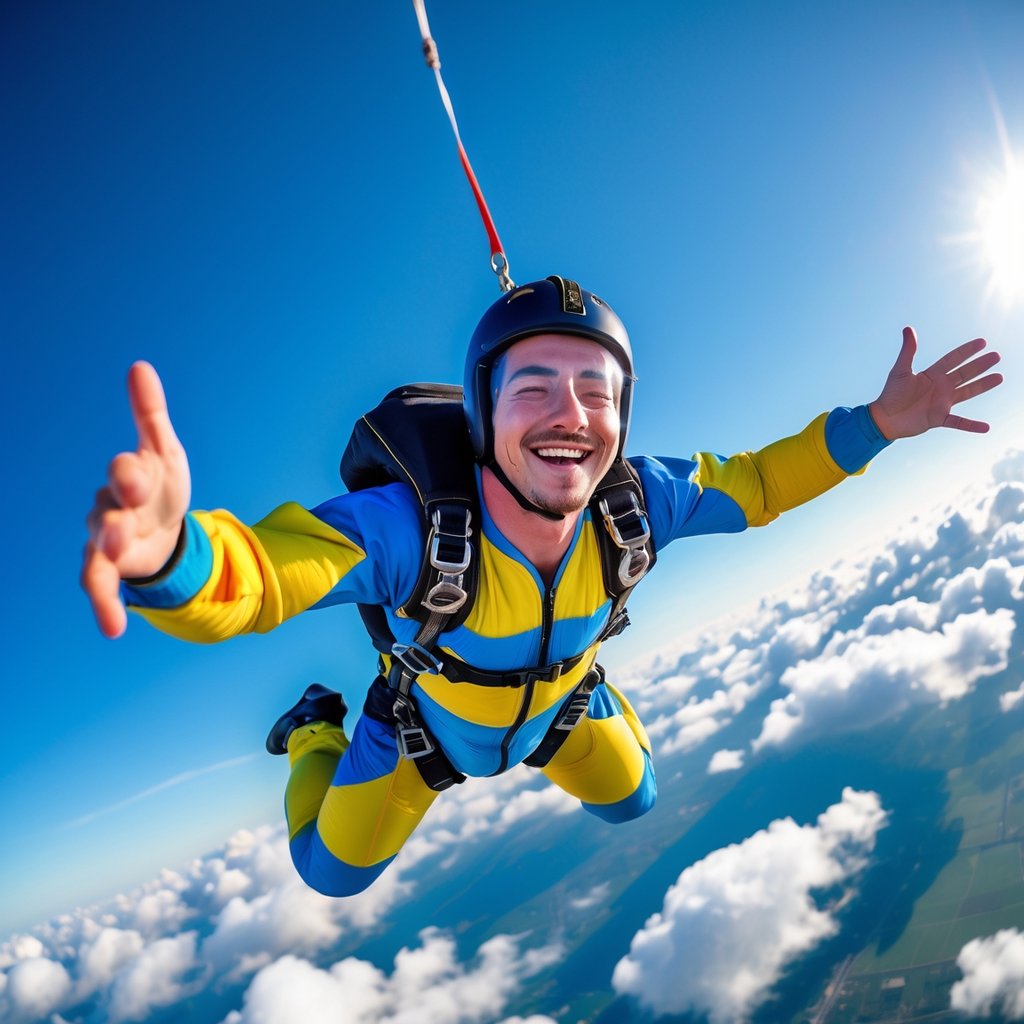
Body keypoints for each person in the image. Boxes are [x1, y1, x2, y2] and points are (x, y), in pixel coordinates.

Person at [82, 276, 1002, 897]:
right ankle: (320, 725)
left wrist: (876, 424)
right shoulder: (415, 533)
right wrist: (176, 560)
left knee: (637, 798)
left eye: (598, 393)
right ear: (482, 414)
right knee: (330, 873)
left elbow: (758, 483)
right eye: (534, 389)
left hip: (559, 710)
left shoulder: (638, 504)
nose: (573, 417)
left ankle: (582, 671)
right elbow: (267, 573)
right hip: (424, 736)